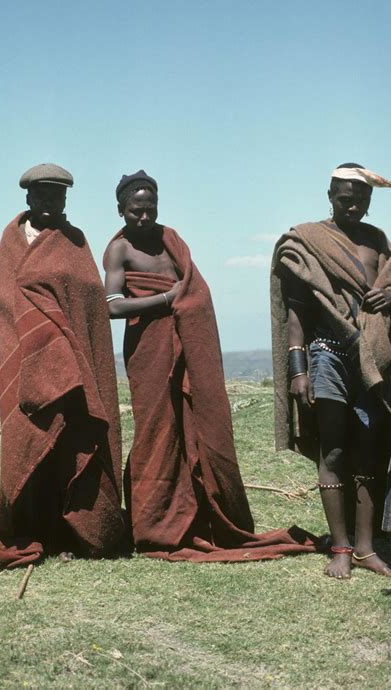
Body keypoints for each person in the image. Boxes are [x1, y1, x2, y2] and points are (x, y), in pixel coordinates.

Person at [103, 170, 317, 562]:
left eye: (150, 210)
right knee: (156, 433)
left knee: (195, 429)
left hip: (188, 346)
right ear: (121, 210)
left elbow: (196, 294)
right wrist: (167, 300)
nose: (144, 218)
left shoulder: (173, 242)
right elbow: (112, 305)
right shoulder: (119, 250)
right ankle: (153, 524)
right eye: (136, 212)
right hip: (149, 352)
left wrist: (178, 300)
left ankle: (199, 517)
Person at [0, 163, 124, 568]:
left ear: (65, 200)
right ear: (28, 198)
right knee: (28, 441)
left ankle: (76, 528)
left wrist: (62, 340)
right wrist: (40, 332)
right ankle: (30, 523)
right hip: (26, 363)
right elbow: (0, 294)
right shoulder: (11, 242)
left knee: (72, 440)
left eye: (57, 195)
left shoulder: (73, 242)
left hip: (71, 368)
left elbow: (89, 297)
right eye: (42, 194)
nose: (49, 202)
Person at [271, 163, 391, 579]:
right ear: (330, 195)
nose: (352, 204)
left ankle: (366, 549)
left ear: (369, 200)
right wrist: (298, 371)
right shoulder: (308, 241)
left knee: (371, 450)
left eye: (360, 198)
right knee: (333, 449)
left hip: (375, 358)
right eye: (344, 197)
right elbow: (297, 313)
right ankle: (340, 546)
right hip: (328, 355)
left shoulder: (379, 243)